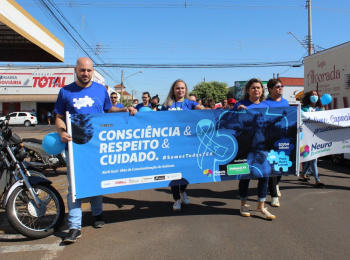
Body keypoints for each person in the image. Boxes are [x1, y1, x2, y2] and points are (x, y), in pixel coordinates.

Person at [54, 57, 137, 244]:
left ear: (93, 71)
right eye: (82, 70)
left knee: (97, 182)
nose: (85, 74)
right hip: (75, 146)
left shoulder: (101, 90)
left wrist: (126, 110)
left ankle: (97, 213)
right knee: (74, 186)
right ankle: (75, 226)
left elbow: (109, 110)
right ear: (76, 70)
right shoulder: (65, 92)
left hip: (98, 146)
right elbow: (59, 117)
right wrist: (61, 131)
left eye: (89, 70)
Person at [233, 78, 276, 220]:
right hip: (247, 149)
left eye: (258, 88)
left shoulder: (267, 106)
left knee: (265, 176)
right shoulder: (241, 104)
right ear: (248, 90)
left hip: (263, 149)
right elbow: (230, 120)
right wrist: (236, 111)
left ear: (262, 90)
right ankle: (244, 205)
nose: (256, 90)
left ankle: (260, 207)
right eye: (253, 88)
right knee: (245, 175)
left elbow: (274, 122)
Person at [161, 79, 204, 211]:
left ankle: (183, 190)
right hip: (173, 144)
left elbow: (201, 110)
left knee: (187, 171)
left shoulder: (190, 103)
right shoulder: (167, 104)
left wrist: (201, 108)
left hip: (187, 144)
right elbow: (159, 121)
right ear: (173, 90)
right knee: (174, 172)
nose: (180, 90)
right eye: (177, 88)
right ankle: (176, 200)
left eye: (182, 88)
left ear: (185, 90)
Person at [264, 78, 289, 207]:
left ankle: (276, 184)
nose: (281, 88)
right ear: (270, 89)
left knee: (282, 166)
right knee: (273, 166)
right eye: (278, 86)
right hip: (270, 139)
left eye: (282, 86)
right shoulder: (265, 104)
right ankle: (274, 196)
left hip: (284, 139)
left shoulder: (285, 102)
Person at [299, 90, 324, 188]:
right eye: (312, 95)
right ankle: (317, 180)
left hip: (317, 137)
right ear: (308, 97)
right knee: (313, 158)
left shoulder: (320, 109)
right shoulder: (304, 109)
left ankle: (303, 173)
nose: (314, 96)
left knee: (312, 158)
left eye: (316, 95)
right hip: (307, 137)